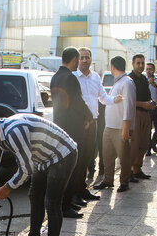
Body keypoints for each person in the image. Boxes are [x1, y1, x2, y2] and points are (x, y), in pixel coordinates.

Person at [50, 47, 93, 218]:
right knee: (71, 167)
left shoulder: (55, 77)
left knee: (65, 167)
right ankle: (65, 205)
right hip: (73, 129)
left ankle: (68, 202)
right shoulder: (70, 78)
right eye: (78, 60)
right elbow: (77, 102)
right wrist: (89, 116)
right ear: (74, 59)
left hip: (60, 127)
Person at [93, 56, 135, 192]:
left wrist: (126, 128)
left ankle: (124, 182)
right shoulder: (118, 82)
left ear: (113, 67)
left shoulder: (127, 83)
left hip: (120, 127)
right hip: (110, 126)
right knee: (107, 155)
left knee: (123, 157)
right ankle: (108, 180)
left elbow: (129, 107)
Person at [73, 47, 106, 200]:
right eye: (82, 58)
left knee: (88, 157)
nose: (85, 60)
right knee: (77, 160)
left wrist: (116, 100)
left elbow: (103, 97)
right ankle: (74, 193)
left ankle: (82, 189)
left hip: (93, 123)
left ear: (91, 59)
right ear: (77, 60)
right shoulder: (73, 77)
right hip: (78, 124)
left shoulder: (96, 77)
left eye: (87, 57)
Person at [128, 54, 156, 181]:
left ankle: (137, 170)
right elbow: (127, 101)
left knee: (144, 144)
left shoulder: (144, 79)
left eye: (142, 63)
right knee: (133, 145)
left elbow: (148, 96)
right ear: (133, 64)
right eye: (138, 63)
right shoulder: (129, 79)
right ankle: (128, 172)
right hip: (134, 114)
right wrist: (142, 104)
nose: (140, 65)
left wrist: (151, 103)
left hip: (146, 114)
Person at [145, 63, 157, 156]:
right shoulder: (144, 81)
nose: (148, 71)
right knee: (148, 130)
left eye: (150, 69)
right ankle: (148, 148)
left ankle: (153, 143)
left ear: (154, 70)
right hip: (148, 109)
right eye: (147, 69)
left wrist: (155, 85)